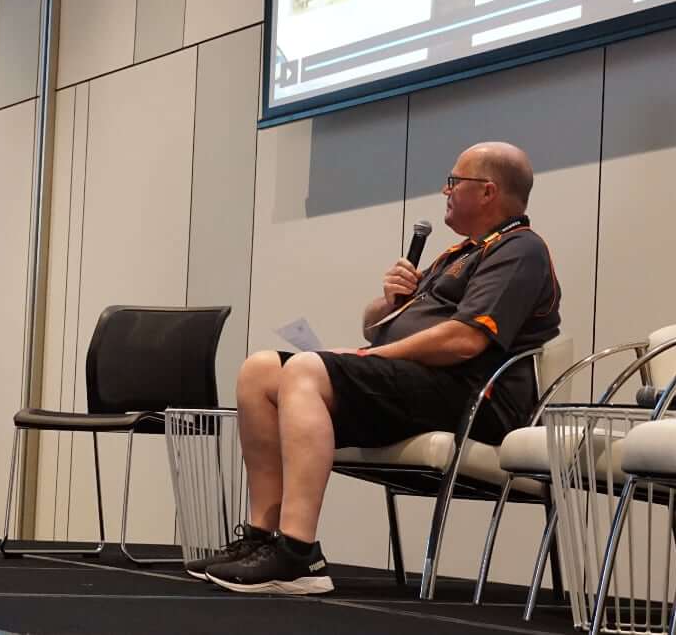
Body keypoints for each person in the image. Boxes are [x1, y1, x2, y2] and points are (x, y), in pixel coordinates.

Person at [194, 142, 560, 594]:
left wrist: (369, 358)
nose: (445, 191)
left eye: (454, 181)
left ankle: (298, 554)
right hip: (419, 386)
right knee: (259, 371)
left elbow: (465, 340)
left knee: (305, 371)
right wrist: (387, 302)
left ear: (488, 191)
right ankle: (260, 537)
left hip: (473, 398)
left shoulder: (520, 249)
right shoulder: (458, 254)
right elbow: (375, 328)